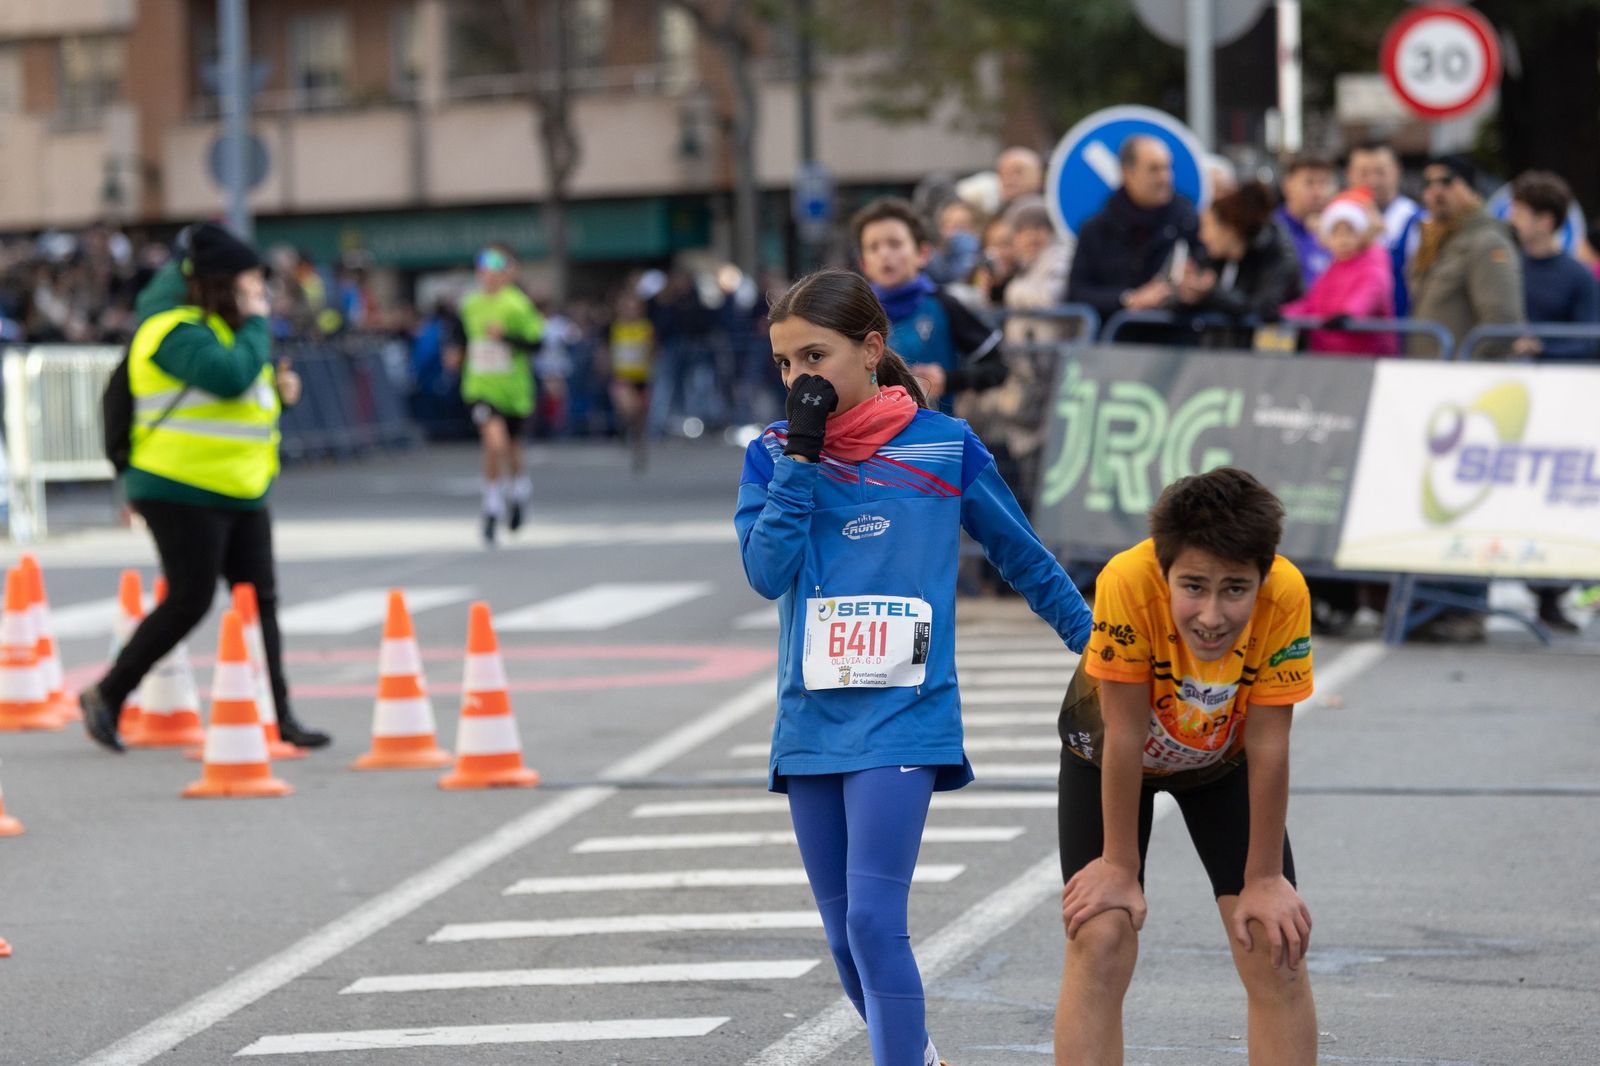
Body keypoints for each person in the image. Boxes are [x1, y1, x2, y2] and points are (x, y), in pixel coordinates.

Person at [736, 269, 1092, 1066]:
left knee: (872, 922)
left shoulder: (943, 443)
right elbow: (766, 573)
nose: (799, 379)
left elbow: (1022, 557)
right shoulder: (770, 457)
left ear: (871, 351)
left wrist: (1097, 642)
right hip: (811, 719)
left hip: (905, 712)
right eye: (785, 364)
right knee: (841, 939)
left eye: (815, 357)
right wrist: (800, 459)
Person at [1054, 467, 1316, 1066]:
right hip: (1111, 754)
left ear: (1264, 576)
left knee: (1273, 946)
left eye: (1235, 589)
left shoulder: (1288, 594)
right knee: (1102, 935)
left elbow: (1271, 743)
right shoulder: (1126, 579)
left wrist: (1266, 880)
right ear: (1164, 571)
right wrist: (1119, 865)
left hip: (1223, 760)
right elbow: (1124, 732)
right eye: (1193, 586)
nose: (1212, 615)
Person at [79, 223, 329, 752]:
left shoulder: (221, 329)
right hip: (177, 486)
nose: (257, 295)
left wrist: (280, 394)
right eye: (248, 285)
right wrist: (258, 328)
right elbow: (231, 376)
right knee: (190, 599)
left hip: (239, 487)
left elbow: (240, 397)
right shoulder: (173, 330)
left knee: (261, 600)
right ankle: (107, 693)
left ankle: (282, 718)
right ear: (219, 283)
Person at [850, 197, 1006, 414]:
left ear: (922, 254)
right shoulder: (853, 315)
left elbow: (998, 368)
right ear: (864, 263)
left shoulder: (943, 304)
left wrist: (949, 380)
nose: (884, 254)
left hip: (935, 438)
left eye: (895, 244)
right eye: (873, 247)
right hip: (872, 441)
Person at [444, 244, 545, 545]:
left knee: (512, 448)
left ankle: (518, 491)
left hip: (514, 390)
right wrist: (454, 354)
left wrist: (507, 338)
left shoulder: (517, 305)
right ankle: (490, 507)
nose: (487, 275)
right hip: (480, 387)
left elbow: (536, 343)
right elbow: (458, 336)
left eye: (494, 269)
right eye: (482, 269)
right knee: (493, 441)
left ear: (506, 273)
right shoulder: (470, 304)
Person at [1067, 135, 1200, 325]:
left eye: (1167, 167)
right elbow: (1077, 291)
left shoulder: (1188, 223)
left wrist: (1194, 289)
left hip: (1176, 342)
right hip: (1115, 346)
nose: (1165, 177)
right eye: (1154, 169)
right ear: (1127, 172)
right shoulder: (1096, 229)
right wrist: (1128, 299)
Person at [1408, 155, 1524, 361]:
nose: (1437, 191)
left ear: (1471, 190)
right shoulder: (1433, 243)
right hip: (1428, 375)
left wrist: (1468, 367)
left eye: (1447, 181)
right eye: (1428, 184)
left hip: (1461, 381)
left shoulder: (1487, 242)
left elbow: (1503, 320)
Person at [1173, 181, 1303, 342]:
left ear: (1229, 229)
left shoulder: (1277, 255)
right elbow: (1182, 302)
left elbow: (1263, 308)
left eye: (1207, 227)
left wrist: (1212, 293)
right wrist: (1188, 295)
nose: (1202, 236)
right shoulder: (1211, 258)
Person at [1280, 187, 1398, 356]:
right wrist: (1283, 314)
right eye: (1337, 233)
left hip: (1363, 356)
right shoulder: (1333, 268)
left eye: (1349, 232)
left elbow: (1371, 291)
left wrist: (1349, 315)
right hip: (1330, 355)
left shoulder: (1373, 261)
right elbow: (1312, 303)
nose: (1343, 240)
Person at [1508, 170, 1600, 362]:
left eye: (1519, 213)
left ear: (1545, 221)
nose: (1511, 219)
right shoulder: (1505, 266)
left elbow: (1590, 341)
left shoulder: (1580, 277)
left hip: (1557, 384)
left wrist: (1541, 348)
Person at [1346, 141, 1423, 315]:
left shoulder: (1415, 220)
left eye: (1380, 172)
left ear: (1397, 171)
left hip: (1399, 330)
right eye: (1363, 173)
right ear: (1349, 174)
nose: (1372, 181)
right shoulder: (1337, 219)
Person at [1275, 153, 1338, 286]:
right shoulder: (1273, 230)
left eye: (1325, 182)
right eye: (1309, 183)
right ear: (1287, 186)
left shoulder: (1344, 229)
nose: (1318, 192)